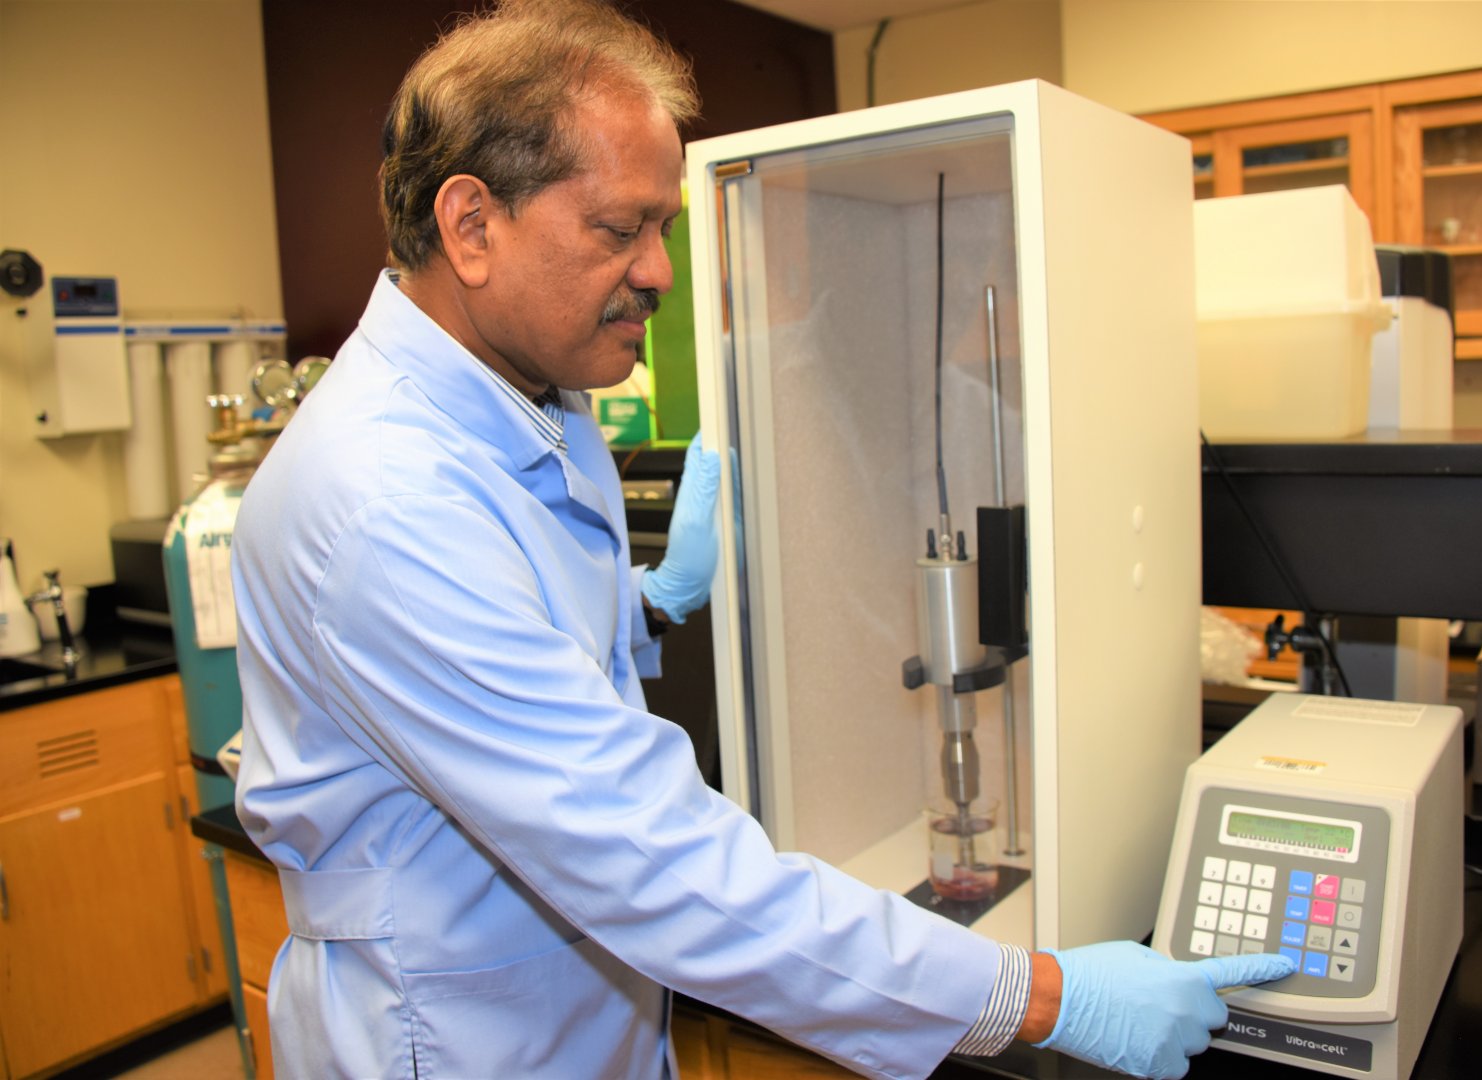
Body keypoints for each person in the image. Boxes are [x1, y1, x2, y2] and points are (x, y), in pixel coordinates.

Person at [231, 2, 1294, 1077]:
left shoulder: (533, 396)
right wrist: (1040, 994)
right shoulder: (384, 499)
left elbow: (506, 648)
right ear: (470, 227)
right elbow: (644, 857)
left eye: (665, 230)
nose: (658, 273)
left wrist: (644, 603)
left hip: (572, 1001)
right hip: (451, 1034)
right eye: (619, 229)